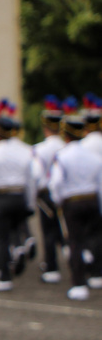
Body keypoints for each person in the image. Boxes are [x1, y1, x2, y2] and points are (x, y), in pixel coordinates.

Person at [0, 107, 35, 292]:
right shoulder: (26, 149)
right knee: (17, 228)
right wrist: (30, 202)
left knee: (0, 238)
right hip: (20, 195)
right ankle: (19, 248)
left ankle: (4, 277)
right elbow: (32, 178)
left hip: (1, 197)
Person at [48, 105, 102, 301]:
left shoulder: (63, 156)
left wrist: (59, 202)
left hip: (72, 202)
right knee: (95, 236)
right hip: (92, 200)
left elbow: (55, 183)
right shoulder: (95, 157)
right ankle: (97, 273)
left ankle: (79, 284)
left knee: (75, 241)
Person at [31, 96, 67, 284]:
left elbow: (36, 174)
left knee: (49, 231)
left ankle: (52, 268)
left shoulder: (40, 149)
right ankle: (72, 252)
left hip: (46, 193)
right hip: (67, 193)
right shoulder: (66, 146)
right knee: (66, 226)